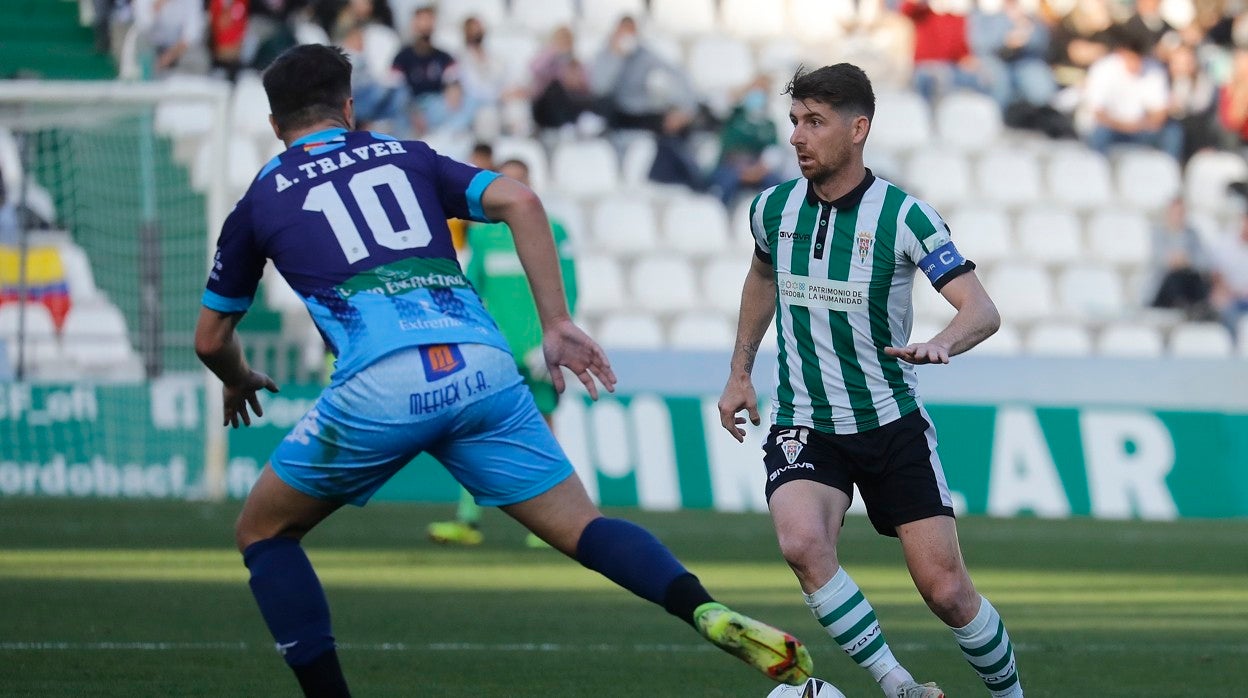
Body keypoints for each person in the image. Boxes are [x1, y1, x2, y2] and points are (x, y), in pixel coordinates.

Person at [194, 44, 814, 697]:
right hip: (480, 365)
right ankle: (702, 608)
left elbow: (210, 339)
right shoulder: (406, 154)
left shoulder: (261, 198)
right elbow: (520, 199)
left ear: (274, 125)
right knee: (585, 526)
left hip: (382, 377)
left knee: (264, 531)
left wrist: (237, 377)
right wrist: (555, 324)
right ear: (349, 110)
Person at [716, 64, 1023, 698]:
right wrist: (739, 372)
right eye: (795, 122)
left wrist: (942, 342)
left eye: (816, 123)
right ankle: (900, 686)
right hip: (805, 419)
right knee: (802, 543)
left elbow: (981, 311)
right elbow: (762, 279)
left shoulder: (905, 217)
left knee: (945, 589)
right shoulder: (772, 209)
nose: (799, 137)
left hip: (890, 421)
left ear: (858, 130)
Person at [427, 158, 577, 549]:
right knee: (474, 427)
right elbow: (472, 288)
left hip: (538, 351)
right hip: (496, 349)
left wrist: (555, 340)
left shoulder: (556, 230)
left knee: (543, 430)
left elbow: (570, 288)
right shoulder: (483, 235)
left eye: (520, 183)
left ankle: (554, 524)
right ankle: (468, 519)